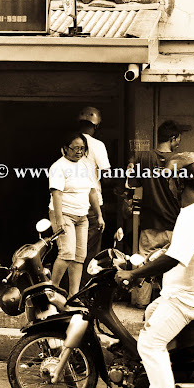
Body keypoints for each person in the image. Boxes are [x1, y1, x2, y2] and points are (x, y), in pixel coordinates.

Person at [116, 152, 194, 388]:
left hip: (189, 297)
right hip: (187, 291)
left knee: (149, 344)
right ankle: (168, 387)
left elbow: (175, 258)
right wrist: (151, 259)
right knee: (150, 314)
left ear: (177, 182)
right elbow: (177, 250)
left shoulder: (192, 215)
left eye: (170, 180)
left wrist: (133, 274)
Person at [126, 120, 184, 308]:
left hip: (150, 223)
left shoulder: (142, 158)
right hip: (175, 224)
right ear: (172, 138)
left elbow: (133, 184)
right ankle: (172, 305)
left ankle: (140, 303)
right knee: (173, 266)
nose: (178, 144)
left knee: (144, 264)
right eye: (178, 140)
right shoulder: (180, 161)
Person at [49, 131, 105, 296]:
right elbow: (56, 194)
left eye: (82, 148)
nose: (79, 152)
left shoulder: (85, 165)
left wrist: (99, 215)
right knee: (66, 253)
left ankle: (74, 295)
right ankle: (51, 290)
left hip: (82, 216)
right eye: (75, 148)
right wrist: (59, 221)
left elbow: (92, 192)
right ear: (65, 148)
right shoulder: (58, 167)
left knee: (79, 256)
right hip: (64, 214)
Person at [77, 106, 111, 268]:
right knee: (90, 251)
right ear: (96, 126)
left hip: (70, 202)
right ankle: (84, 292)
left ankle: (70, 289)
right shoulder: (97, 145)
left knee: (72, 249)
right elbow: (106, 174)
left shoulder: (69, 144)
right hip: (92, 204)